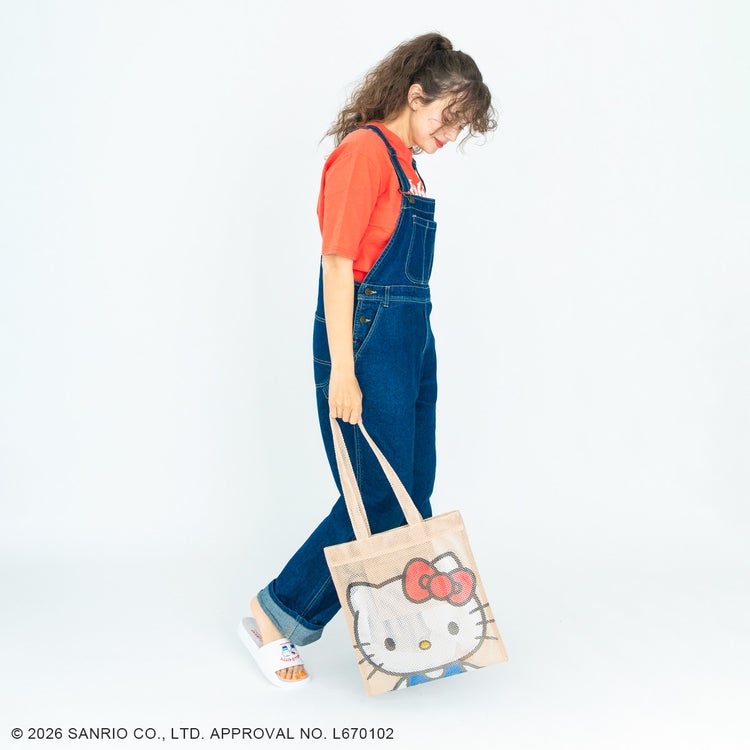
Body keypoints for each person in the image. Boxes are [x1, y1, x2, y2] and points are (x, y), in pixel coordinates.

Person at [237, 31, 496, 687]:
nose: (449, 135)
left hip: (410, 339)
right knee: (375, 495)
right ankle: (277, 613)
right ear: (416, 94)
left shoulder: (408, 166)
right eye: (447, 117)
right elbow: (336, 263)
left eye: (460, 127)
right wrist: (344, 370)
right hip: (365, 339)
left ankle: (407, 632)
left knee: (413, 489)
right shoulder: (363, 153)